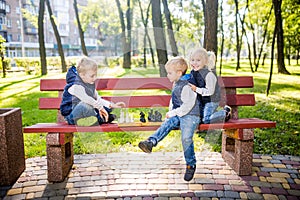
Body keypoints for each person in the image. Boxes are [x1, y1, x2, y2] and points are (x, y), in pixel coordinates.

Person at [138, 57, 200, 181]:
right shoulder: (176, 83)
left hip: (190, 115)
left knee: (186, 137)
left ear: (179, 73)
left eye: (169, 73)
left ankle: (190, 164)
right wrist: (171, 112)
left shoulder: (186, 86)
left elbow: (188, 104)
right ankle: (151, 142)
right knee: (168, 123)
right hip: (179, 113)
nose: (167, 75)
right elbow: (174, 100)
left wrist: (174, 112)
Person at [60, 56, 125, 126]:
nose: (95, 78)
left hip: (86, 113)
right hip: (72, 115)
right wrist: (100, 108)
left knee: (104, 107)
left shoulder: (89, 84)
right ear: (82, 75)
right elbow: (87, 99)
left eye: (96, 75)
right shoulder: (76, 86)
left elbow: (98, 99)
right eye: (92, 76)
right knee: (85, 105)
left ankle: (97, 119)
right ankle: (97, 119)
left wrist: (112, 105)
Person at [188, 48, 231, 124]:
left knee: (206, 119)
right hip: (203, 101)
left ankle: (224, 112)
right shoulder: (194, 72)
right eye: (192, 60)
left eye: (198, 60)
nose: (194, 63)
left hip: (211, 101)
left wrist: (196, 89)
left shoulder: (209, 74)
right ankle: (215, 114)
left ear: (205, 62)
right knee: (200, 118)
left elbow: (210, 92)